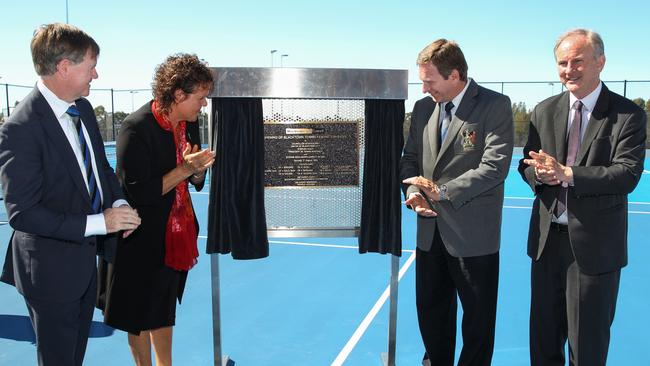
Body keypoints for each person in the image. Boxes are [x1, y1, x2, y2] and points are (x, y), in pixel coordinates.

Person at [0, 23, 141, 366]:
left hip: (81, 265)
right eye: (90, 65)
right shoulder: (21, 128)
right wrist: (100, 222)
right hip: (48, 273)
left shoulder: (82, 109)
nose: (96, 73)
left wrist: (119, 203)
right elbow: (23, 213)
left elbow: (100, 171)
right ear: (64, 67)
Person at [519, 29, 646, 366]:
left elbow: (627, 173)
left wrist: (569, 174)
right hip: (546, 246)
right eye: (562, 63)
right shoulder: (544, 110)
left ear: (600, 62)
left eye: (577, 61)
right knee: (543, 345)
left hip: (593, 251)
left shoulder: (627, 115)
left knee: (587, 349)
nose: (568, 69)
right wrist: (539, 174)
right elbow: (526, 165)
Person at [400, 39, 514, 365]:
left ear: (454, 75)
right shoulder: (423, 109)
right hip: (430, 233)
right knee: (432, 314)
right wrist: (414, 193)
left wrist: (443, 191)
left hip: (473, 237)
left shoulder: (494, 105)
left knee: (477, 324)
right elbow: (410, 161)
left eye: (429, 80)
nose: (424, 88)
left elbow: (494, 168)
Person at [101, 53, 215, 366]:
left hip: (175, 235)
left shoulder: (187, 125)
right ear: (179, 95)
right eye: (201, 98)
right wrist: (184, 168)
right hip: (138, 240)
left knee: (163, 310)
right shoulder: (135, 129)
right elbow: (139, 193)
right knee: (137, 314)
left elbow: (195, 180)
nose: (203, 105)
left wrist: (198, 170)